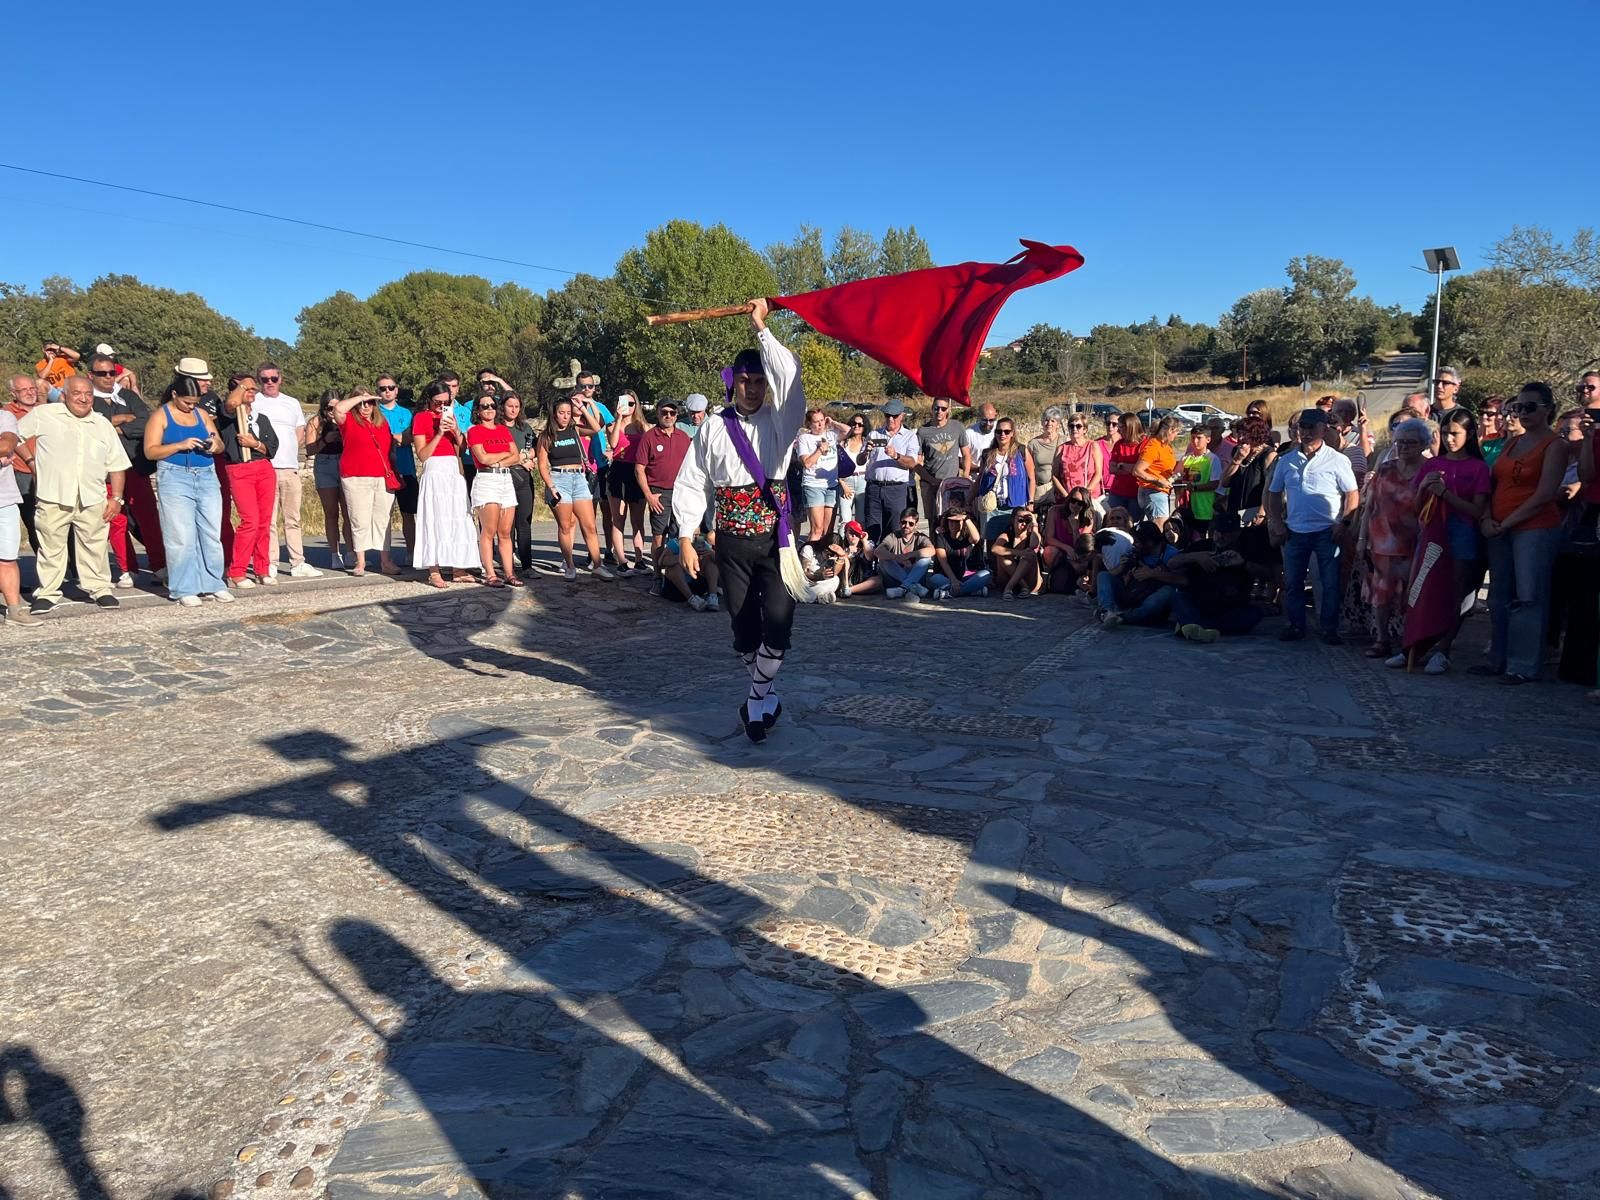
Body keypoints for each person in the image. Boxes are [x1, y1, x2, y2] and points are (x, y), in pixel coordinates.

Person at [672, 299, 808, 743]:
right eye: (745, 381)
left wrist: (760, 328)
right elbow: (693, 481)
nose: (752, 389)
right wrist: (688, 536)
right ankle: (765, 696)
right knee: (743, 629)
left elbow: (791, 379)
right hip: (730, 540)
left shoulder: (781, 421)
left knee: (780, 621)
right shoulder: (713, 425)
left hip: (775, 541)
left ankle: (754, 699)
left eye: (759, 381)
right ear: (733, 383)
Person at [1474, 382, 1566, 684]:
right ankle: (1497, 659)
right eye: (1518, 407)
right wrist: (1487, 516)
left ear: (1548, 410)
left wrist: (1508, 521)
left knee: (1528, 596)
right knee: (1499, 595)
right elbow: (1493, 482)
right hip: (1499, 526)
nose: (1522, 413)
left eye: (1530, 407)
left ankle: (1522, 664)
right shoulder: (1512, 443)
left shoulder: (1554, 445)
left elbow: (1544, 494)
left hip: (1533, 528)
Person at [18, 377, 129, 614]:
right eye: (77, 393)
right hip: (53, 495)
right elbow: (13, 435)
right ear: (65, 395)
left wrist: (117, 497)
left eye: (88, 394)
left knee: (95, 545)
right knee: (51, 547)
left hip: (92, 496)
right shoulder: (45, 414)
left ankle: (99, 589)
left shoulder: (102, 424)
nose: (83, 398)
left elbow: (117, 464)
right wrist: (30, 460)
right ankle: (48, 592)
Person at [1407, 409, 1491, 674]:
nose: (1449, 439)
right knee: (1423, 587)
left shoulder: (1478, 467)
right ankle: (1414, 645)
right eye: (1445, 433)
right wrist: (1423, 489)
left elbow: (1478, 510)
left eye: (1455, 433)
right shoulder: (1432, 464)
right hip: (1432, 531)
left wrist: (1445, 494)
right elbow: (1416, 505)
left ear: (1469, 434)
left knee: (1455, 592)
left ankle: (1443, 648)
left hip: (1462, 533)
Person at [1266, 408, 1360, 644]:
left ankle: (1329, 627)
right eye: (1302, 428)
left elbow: (1352, 494)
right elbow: (1274, 493)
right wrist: (1276, 522)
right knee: (1293, 583)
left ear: (1323, 429)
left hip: (1327, 531)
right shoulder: (1286, 460)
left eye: (1311, 427)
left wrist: (1344, 523)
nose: (1306, 432)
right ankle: (1296, 625)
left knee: (1329, 584)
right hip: (1295, 531)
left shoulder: (1338, 460)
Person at [142, 375, 231, 607]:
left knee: (211, 532)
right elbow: (150, 451)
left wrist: (214, 444)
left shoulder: (201, 414)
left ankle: (213, 583)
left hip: (206, 475)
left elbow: (220, 444)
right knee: (180, 535)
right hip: (174, 476)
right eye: (187, 402)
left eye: (195, 402)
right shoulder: (160, 416)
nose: (191, 406)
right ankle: (184, 587)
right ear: (174, 395)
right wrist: (179, 445)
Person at [88, 353, 166, 588]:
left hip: (135, 465)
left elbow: (146, 423)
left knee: (149, 517)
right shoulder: (87, 399)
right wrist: (120, 419)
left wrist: (117, 425)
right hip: (106, 470)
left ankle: (160, 565)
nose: (108, 378)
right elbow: (92, 426)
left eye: (112, 372)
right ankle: (127, 568)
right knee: (116, 520)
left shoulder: (128, 395)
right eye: (102, 374)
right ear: (91, 375)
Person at [1357, 417, 1431, 663]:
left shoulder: (1429, 470)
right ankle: (1381, 639)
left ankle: (1409, 641)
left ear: (1423, 444)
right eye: (1399, 442)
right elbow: (1370, 506)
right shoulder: (1386, 468)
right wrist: (1361, 538)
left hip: (1415, 542)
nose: (1402, 447)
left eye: (1409, 443)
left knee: (1413, 594)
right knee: (1381, 593)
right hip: (1381, 542)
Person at [411, 380, 483, 588]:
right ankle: (434, 570)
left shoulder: (450, 416)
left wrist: (457, 432)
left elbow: (461, 450)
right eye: (437, 402)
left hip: (453, 470)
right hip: (434, 470)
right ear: (429, 400)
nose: (441, 406)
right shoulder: (421, 418)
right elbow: (423, 454)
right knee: (434, 519)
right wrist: (440, 433)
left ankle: (458, 567)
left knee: (457, 517)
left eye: (445, 402)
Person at [537, 392, 615, 582]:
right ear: (554, 414)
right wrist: (551, 486)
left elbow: (597, 428)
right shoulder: (546, 437)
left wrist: (582, 409)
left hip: (579, 479)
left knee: (589, 525)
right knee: (565, 526)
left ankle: (597, 565)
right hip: (559, 479)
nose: (565, 416)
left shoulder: (575, 430)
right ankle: (569, 564)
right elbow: (542, 465)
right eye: (561, 413)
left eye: (568, 412)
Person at [252, 362, 318, 579]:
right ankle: (270, 561)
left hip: (289, 467)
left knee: (293, 517)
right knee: (268, 519)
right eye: (264, 379)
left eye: (273, 378)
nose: (269, 383)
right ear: (259, 380)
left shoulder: (291, 403)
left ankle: (297, 562)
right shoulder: (255, 402)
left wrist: (292, 446)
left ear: (280, 379)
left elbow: (300, 428)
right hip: (266, 466)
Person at [213, 372, 279, 588]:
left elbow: (272, 447)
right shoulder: (228, 414)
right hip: (239, 468)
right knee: (249, 520)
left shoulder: (261, 418)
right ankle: (237, 571)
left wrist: (255, 444)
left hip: (263, 468)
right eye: (246, 388)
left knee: (264, 521)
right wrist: (241, 387)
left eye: (253, 389)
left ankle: (262, 568)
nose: (251, 392)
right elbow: (231, 403)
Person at [332, 390, 401, 578]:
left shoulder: (382, 423)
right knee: (359, 519)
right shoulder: (349, 421)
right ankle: (360, 561)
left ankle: (385, 560)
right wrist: (361, 397)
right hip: (356, 475)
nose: (365, 407)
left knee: (383, 519)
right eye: (361, 403)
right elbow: (338, 408)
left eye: (369, 402)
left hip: (382, 475)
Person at [1166, 512, 1264, 640]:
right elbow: (1171, 563)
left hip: (1228, 608)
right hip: (1199, 603)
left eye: (1226, 533)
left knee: (1254, 614)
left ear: (1237, 533)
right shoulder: (1202, 546)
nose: (1221, 536)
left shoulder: (1245, 550)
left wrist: (1243, 563)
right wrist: (1196, 557)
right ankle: (1194, 625)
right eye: (1218, 531)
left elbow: (1267, 575)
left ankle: (1193, 626)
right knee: (1179, 597)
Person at [463, 389, 521, 588]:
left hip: (505, 480)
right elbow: (483, 458)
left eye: (492, 406)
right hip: (487, 480)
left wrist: (497, 459)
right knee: (489, 530)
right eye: (484, 406)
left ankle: (509, 573)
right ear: (477, 410)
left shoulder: (503, 430)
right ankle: (490, 573)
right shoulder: (474, 431)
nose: (489, 409)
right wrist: (502, 456)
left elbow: (516, 456)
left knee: (505, 531)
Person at [635, 399, 691, 578]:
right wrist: (649, 496)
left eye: (672, 413)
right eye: (664, 412)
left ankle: (676, 576)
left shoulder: (683, 437)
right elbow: (639, 469)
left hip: (681, 493)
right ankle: (658, 576)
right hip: (659, 493)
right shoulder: (649, 437)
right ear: (658, 413)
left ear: (677, 415)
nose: (668, 416)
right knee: (659, 537)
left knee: (679, 535)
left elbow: (692, 467)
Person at [0, 402, 40, 625]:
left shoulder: (4, 417)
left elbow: (7, 445)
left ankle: (14, 610)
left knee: (7, 557)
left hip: (4, 499)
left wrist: (5, 452)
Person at [1096, 520, 1177, 627]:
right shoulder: (1136, 552)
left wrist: (1152, 574)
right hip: (1132, 594)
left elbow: (1180, 579)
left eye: (1137, 542)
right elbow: (1115, 575)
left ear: (1149, 542)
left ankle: (1122, 617)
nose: (1134, 544)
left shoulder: (1171, 554)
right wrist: (1121, 569)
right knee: (1103, 576)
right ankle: (1106, 612)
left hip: (1151, 600)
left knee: (1169, 591)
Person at [306, 391, 355, 569]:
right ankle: (335, 554)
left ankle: (351, 552)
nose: (332, 412)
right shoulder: (316, 423)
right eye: (329, 408)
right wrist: (325, 440)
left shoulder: (345, 420)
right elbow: (310, 449)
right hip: (325, 464)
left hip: (343, 461)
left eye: (336, 407)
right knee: (331, 512)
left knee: (349, 511)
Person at [605, 391, 650, 573]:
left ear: (636, 405)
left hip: (637, 471)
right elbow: (614, 444)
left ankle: (639, 559)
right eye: (625, 403)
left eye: (632, 404)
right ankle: (621, 560)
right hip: (619, 470)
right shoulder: (613, 425)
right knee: (618, 519)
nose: (628, 407)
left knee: (638, 519)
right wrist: (618, 419)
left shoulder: (642, 426)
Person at [863, 399, 920, 540]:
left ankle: (893, 561)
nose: (890, 419)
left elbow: (912, 463)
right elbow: (860, 461)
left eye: (894, 416)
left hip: (896, 489)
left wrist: (896, 456)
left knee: (895, 529)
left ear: (901, 416)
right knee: (872, 529)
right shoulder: (874, 434)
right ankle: (872, 560)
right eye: (887, 415)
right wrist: (865, 452)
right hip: (874, 488)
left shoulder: (910, 437)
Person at [376, 374, 417, 561]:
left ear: (396, 389)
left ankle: (412, 552)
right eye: (383, 389)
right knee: (383, 515)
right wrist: (396, 438)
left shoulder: (407, 414)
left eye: (390, 387)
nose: (387, 391)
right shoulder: (375, 412)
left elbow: (410, 438)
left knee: (409, 513)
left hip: (406, 468)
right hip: (382, 469)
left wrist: (394, 438)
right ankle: (385, 556)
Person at [915, 398, 970, 533]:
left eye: (943, 409)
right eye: (936, 408)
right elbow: (917, 462)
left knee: (954, 518)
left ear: (948, 410)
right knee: (933, 521)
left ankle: (953, 551)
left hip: (953, 483)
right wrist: (931, 480)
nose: (939, 411)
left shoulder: (957, 427)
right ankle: (935, 551)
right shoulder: (923, 431)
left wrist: (966, 476)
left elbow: (966, 454)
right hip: (930, 483)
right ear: (932, 409)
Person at [976, 419, 1036, 542]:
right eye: (999, 431)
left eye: (1006, 431)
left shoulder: (1022, 451)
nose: (1002, 434)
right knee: (992, 542)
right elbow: (980, 479)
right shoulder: (987, 454)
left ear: (1012, 433)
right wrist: (969, 500)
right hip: (992, 506)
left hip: (1015, 505)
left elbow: (1031, 478)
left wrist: (1030, 501)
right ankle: (991, 562)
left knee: (1015, 540)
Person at [6, 375, 45, 552]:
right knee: (33, 521)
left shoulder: (46, 410)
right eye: (24, 390)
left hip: (50, 472)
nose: (30, 393)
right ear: (14, 393)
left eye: (32, 388)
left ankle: (74, 568)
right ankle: (45, 566)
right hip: (22, 473)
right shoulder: (7, 414)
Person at [501, 393, 537, 575]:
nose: (513, 410)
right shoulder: (498, 428)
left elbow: (534, 450)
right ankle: (507, 566)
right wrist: (520, 459)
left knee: (524, 523)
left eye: (517, 406)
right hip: (504, 478)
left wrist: (524, 457)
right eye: (510, 406)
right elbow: (499, 455)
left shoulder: (525, 428)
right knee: (506, 526)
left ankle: (527, 566)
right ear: (503, 407)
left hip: (524, 479)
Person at [795, 408, 845, 542]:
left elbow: (848, 431)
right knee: (817, 528)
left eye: (822, 421)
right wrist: (819, 450)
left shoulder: (831, 434)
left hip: (831, 485)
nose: (820, 425)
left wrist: (833, 422)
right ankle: (809, 558)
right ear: (809, 424)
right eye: (816, 422)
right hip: (813, 485)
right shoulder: (804, 438)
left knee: (828, 530)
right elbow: (807, 463)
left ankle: (824, 556)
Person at [929, 505, 991, 599]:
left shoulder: (966, 536)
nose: (954, 525)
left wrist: (966, 518)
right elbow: (943, 562)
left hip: (966, 576)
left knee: (986, 574)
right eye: (951, 521)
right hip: (946, 576)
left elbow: (976, 539)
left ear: (963, 523)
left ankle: (948, 593)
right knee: (934, 580)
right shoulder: (941, 537)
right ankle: (971, 591)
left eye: (957, 521)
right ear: (947, 522)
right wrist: (953, 580)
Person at [872, 510, 937, 599]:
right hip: (895, 580)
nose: (906, 526)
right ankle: (912, 586)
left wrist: (909, 555)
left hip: (915, 576)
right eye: (904, 522)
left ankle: (903, 588)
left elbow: (932, 551)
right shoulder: (893, 536)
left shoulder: (921, 537)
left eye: (911, 524)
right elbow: (877, 552)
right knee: (884, 560)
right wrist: (897, 558)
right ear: (899, 523)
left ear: (916, 525)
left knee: (926, 559)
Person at [1133, 417, 1182, 529]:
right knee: (1160, 529)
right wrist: (1158, 481)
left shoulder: (1165, 445)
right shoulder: (1153, 446)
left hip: (1161, 492)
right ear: (1170, 430)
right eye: (1176, 432)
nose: (1176, 436)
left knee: (1161, 528)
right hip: (1153, 492)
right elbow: (1137, 471)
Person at [1178, 424, 1222, 540]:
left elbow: (1215, 483)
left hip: (1205, 507)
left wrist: (1194, 488)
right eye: (1192, 438)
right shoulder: (1186, 458)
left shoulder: (1212, 459)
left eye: (1199, 438)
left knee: (1205, 538)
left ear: (1208, 439)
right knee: (1188, 535)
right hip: (1187, 506)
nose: (1195, 441)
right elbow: (1176, 477)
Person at [990, 506, 1044, 599]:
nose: (1024, 523)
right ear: (1012, 520)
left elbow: (1034, 545)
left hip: (1031, 580)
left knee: (1030, 554)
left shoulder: (1032, 535)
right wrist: (1020, 553)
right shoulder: (1006, 535)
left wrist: (1034, 524)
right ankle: (1023, 586)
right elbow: (994, 549)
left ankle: (1009, 588)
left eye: (1027, 520)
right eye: (1020, 520)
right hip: (1009, 578)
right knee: (1002, 555)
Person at [660, 527, 719, 610]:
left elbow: (721, 563)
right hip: (678, 586)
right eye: (693, 535)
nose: (696, 537)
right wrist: (682, 557)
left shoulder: (702, 543)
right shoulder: (674, 543)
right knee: (673, 568)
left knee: (711, 563)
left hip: (697, 581)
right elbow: (662, 562)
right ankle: (692, 599)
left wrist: (710, 553)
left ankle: (713, 596)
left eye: (698, 535)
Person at [1052, 413, 1103, 506]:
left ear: (1085, 429)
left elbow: (1098, 473)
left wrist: (1084, 495)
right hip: (1066, 498)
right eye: (1071, 426)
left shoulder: (1092, 446)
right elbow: (1054, 476)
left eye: (1078, 426)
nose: (1074, 429)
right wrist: (1067, 496)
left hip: (1088, 497)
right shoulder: (1061, 448)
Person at [1104, 413, 1146, 516]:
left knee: (1134, 524)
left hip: (1136, 493)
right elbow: (1112, 468)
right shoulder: (1119, 444)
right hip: (1118, 492)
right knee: (1114, 521)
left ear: (1130, 427)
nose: (1118, 430)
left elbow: (1142, 469)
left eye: (1121, 427)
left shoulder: (1145, 443)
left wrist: (1122, 465)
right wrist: (1133, 468)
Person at [836, 415, 871, 532]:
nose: (857, 426)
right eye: (854, 424)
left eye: (860, 424)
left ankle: (859, 547)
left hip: (863, 481)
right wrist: (841, 483)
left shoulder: (867, 443)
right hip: (846, 481)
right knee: (845, 520)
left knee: (861, 519)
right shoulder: (843, 443)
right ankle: (843, 545)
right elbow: (836, 464)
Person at [1026, 409, 1064, 512]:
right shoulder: (1033, 444)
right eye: (1046, 420)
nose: (1049, 424)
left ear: (1058, 424)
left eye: (1053, 421)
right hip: (1040, 489)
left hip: (1058, 490)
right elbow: (1029, 472)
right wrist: (1030, 498)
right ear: (1042, 422)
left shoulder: (1064, 442)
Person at [838, 520, 882, 598]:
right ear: (845, 534)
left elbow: (869, 558)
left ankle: (849, 590)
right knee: (844, 560)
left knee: (878, 580)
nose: (854, 535)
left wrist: (864, 541)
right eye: (851, 533)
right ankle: (846, 588)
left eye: (856, 533)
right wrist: (846, 554)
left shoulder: (868, 543)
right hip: (847, 580)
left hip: (864, 580)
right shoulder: (842, 547)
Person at [798, 533, 843, 604]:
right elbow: (804, 573)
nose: (829, 556)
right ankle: (808, 596)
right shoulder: (808, 549)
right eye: (828, 552)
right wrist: (820, 576)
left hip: (819, 584)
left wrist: (841, 557)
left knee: (835, 579)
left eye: (833, 554)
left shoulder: (835, 557)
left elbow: (834, 574)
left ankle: (817, 597)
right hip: (805, 582)